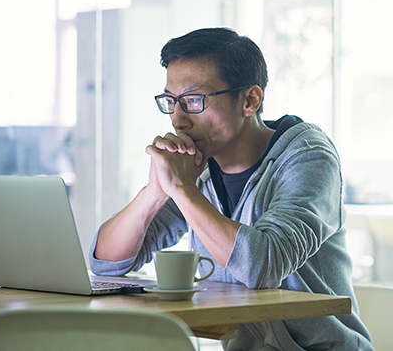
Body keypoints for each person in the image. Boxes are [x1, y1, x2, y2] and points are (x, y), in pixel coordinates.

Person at [89, 27, 373, 351]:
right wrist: (155, 191)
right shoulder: (199, 166)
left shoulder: (309, 157)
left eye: (194, 100)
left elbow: (263, 267)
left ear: (250, 100)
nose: (178, 120)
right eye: (171, 101)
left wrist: (181, 189)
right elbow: (108, 262)